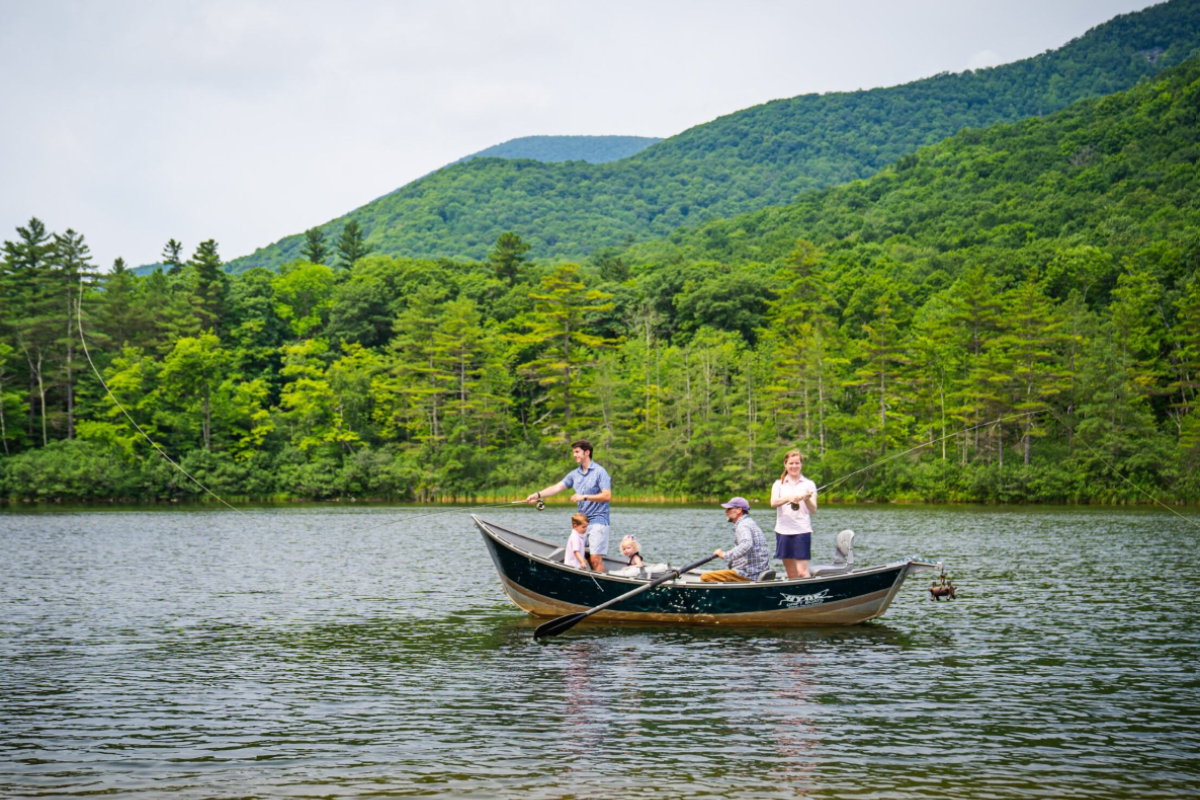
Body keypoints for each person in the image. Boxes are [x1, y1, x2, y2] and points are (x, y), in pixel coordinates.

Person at [524, 439, 612, 573]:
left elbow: (607, 496)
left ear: (587, 452)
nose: (574, 455)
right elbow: (557, 487)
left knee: (595, 559)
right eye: (573, 452)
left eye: (577, 452)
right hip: (582, 523)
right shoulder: (574, 475)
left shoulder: (600, 472)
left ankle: (605, 589)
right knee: (576, 554)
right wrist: (537, 495)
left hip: (599, 520)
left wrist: (584, 496)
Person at [770, 449, 818, 579]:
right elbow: (773, 503)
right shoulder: (778, 484)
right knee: (792, 574)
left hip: (802, 531)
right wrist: (788, 498)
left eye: (797, 463)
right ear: (785, 464)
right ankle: (796, 598)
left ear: (801, 464)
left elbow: (813, 510)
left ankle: (808, 596)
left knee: (802, 572)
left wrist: (807, 499)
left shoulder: (809, 484)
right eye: (791, 463)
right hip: (783, 531)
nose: (794, 466)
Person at [701, 497, 770, 583]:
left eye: (729, 509)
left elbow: (746, 544)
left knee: (705, 577)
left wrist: (725, 555)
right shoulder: (750, 522)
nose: (726, 511)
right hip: (756, 573)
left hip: (748, 575)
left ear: (739, 510)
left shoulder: (743, 525)